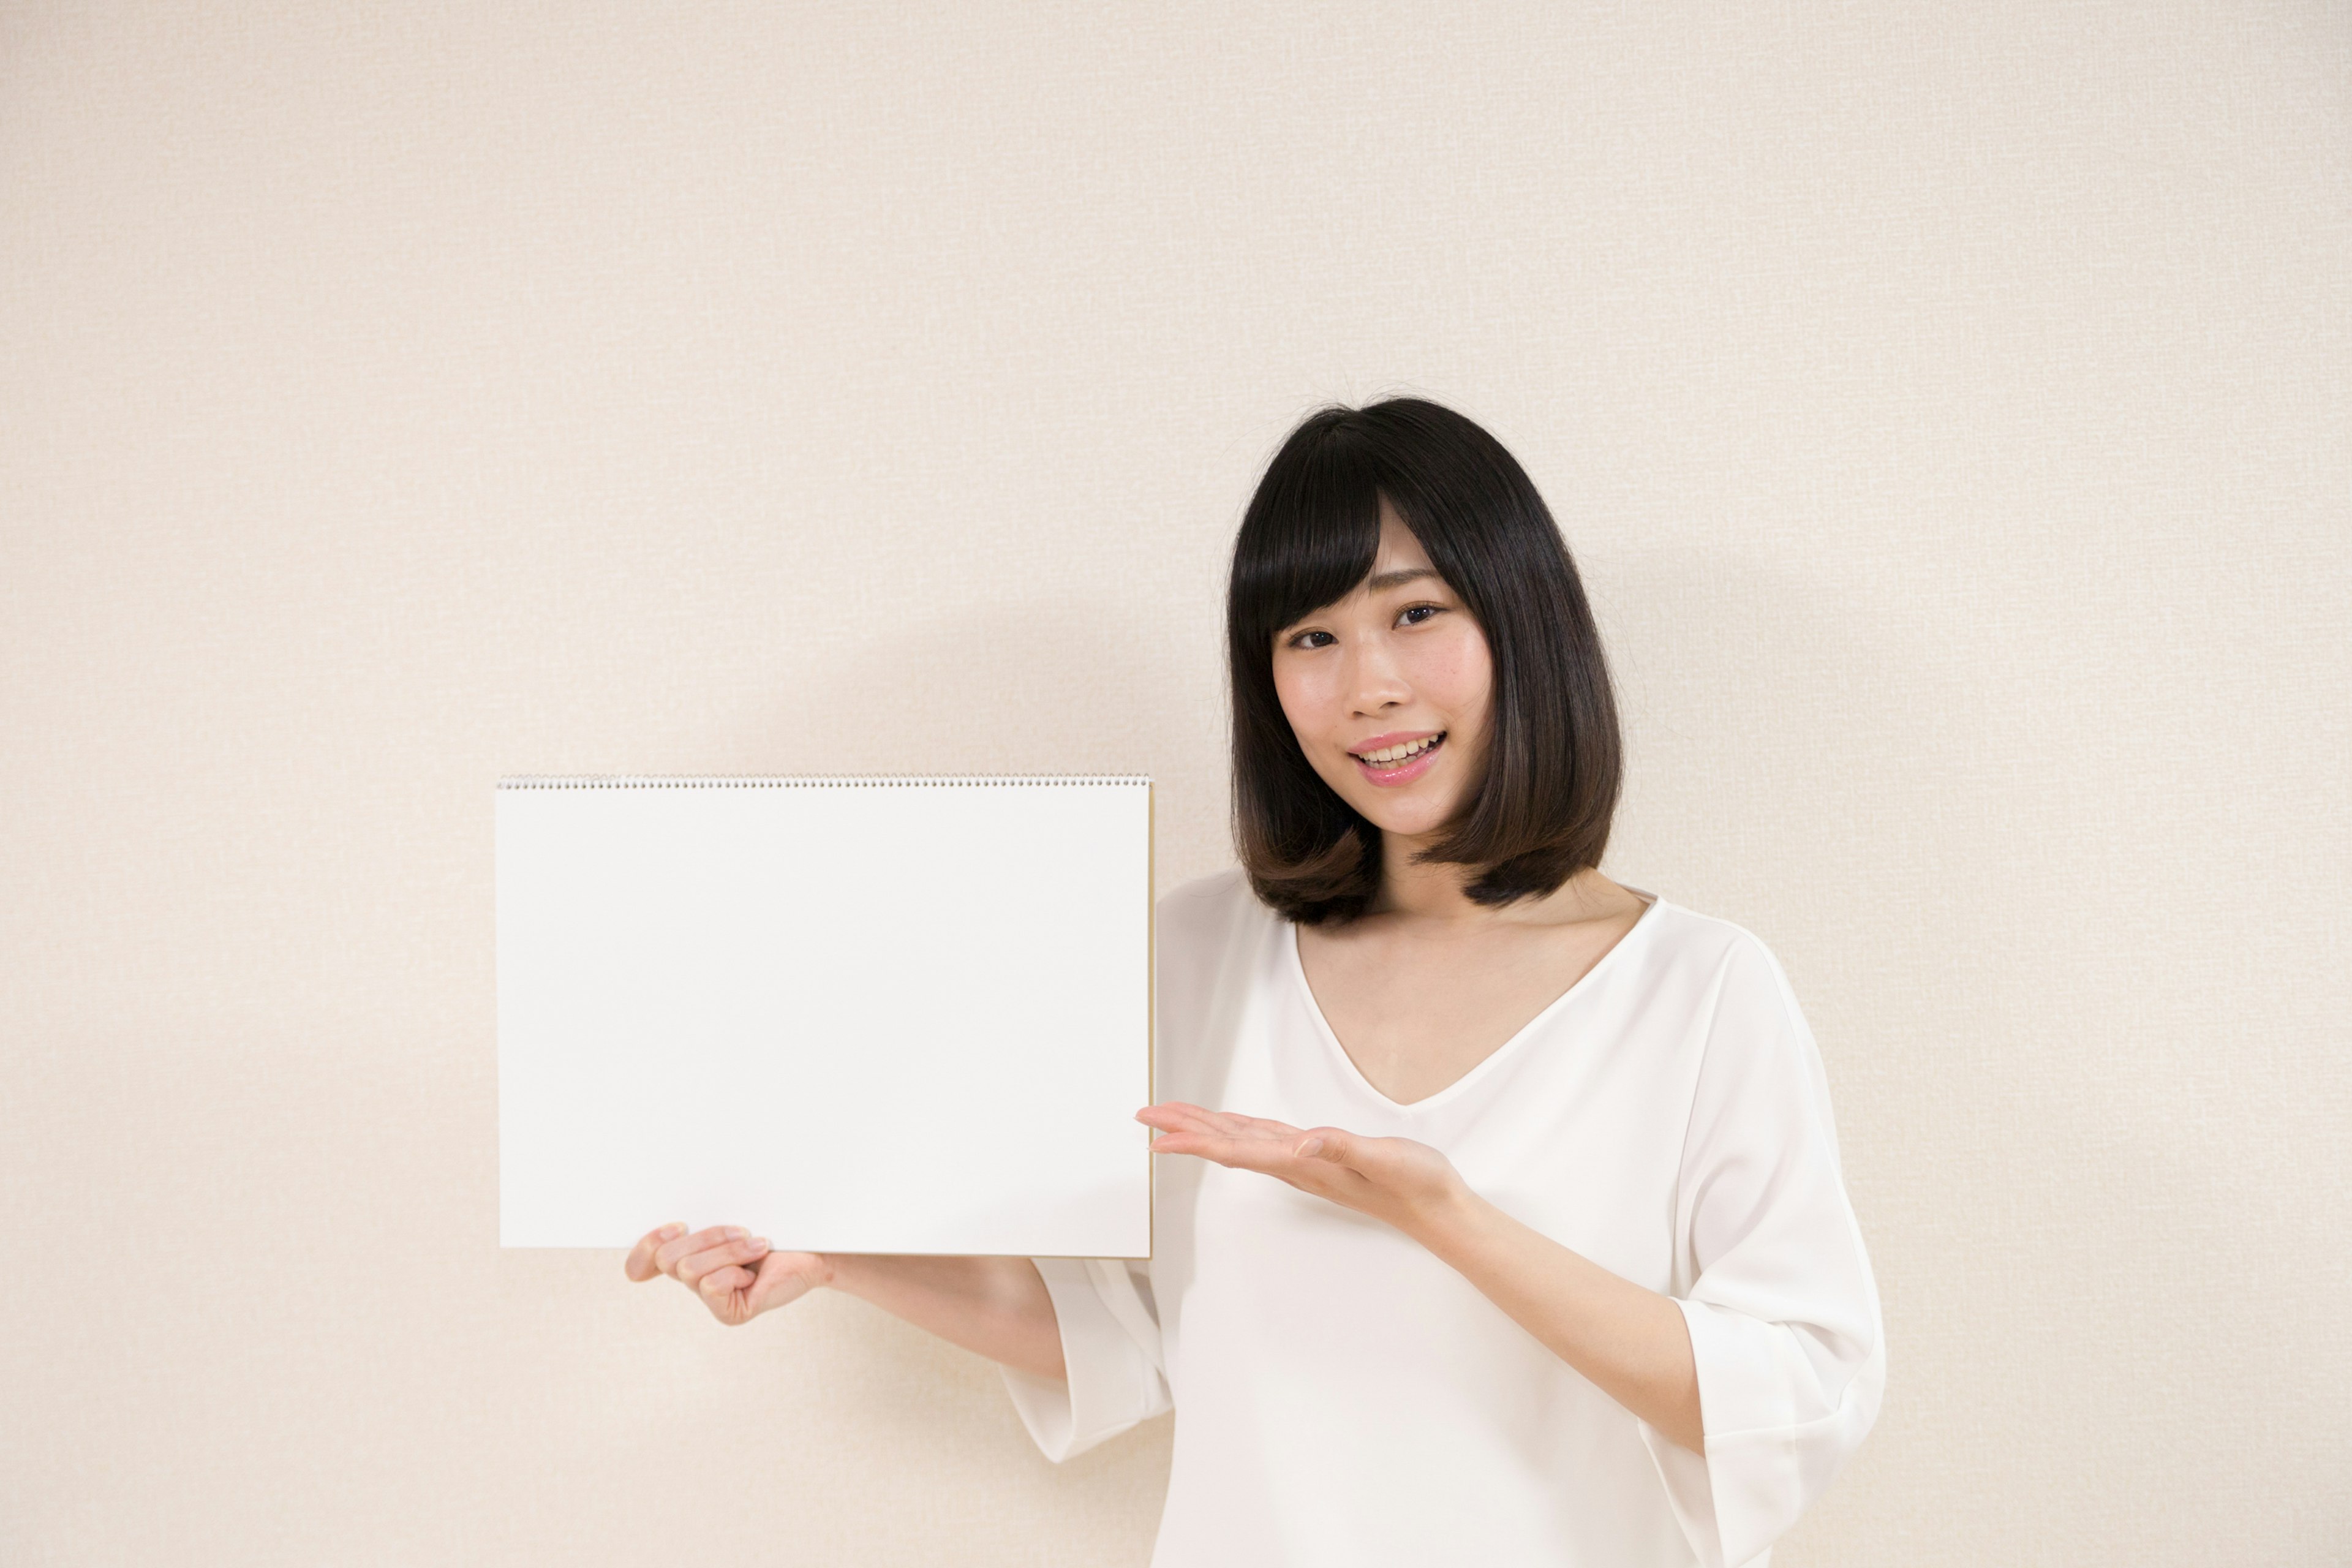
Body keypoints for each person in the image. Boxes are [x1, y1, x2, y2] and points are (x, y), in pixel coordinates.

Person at [624, 398, 1885, 1567]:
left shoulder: (1700, 988)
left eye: (1416, 612)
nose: (1369, 685)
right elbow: (1128, 1328)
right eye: (1311, 635)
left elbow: (1795, 1393)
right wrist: (836, 1247)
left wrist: (1446, 1215)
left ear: (1522, 618)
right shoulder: (1197, 951)